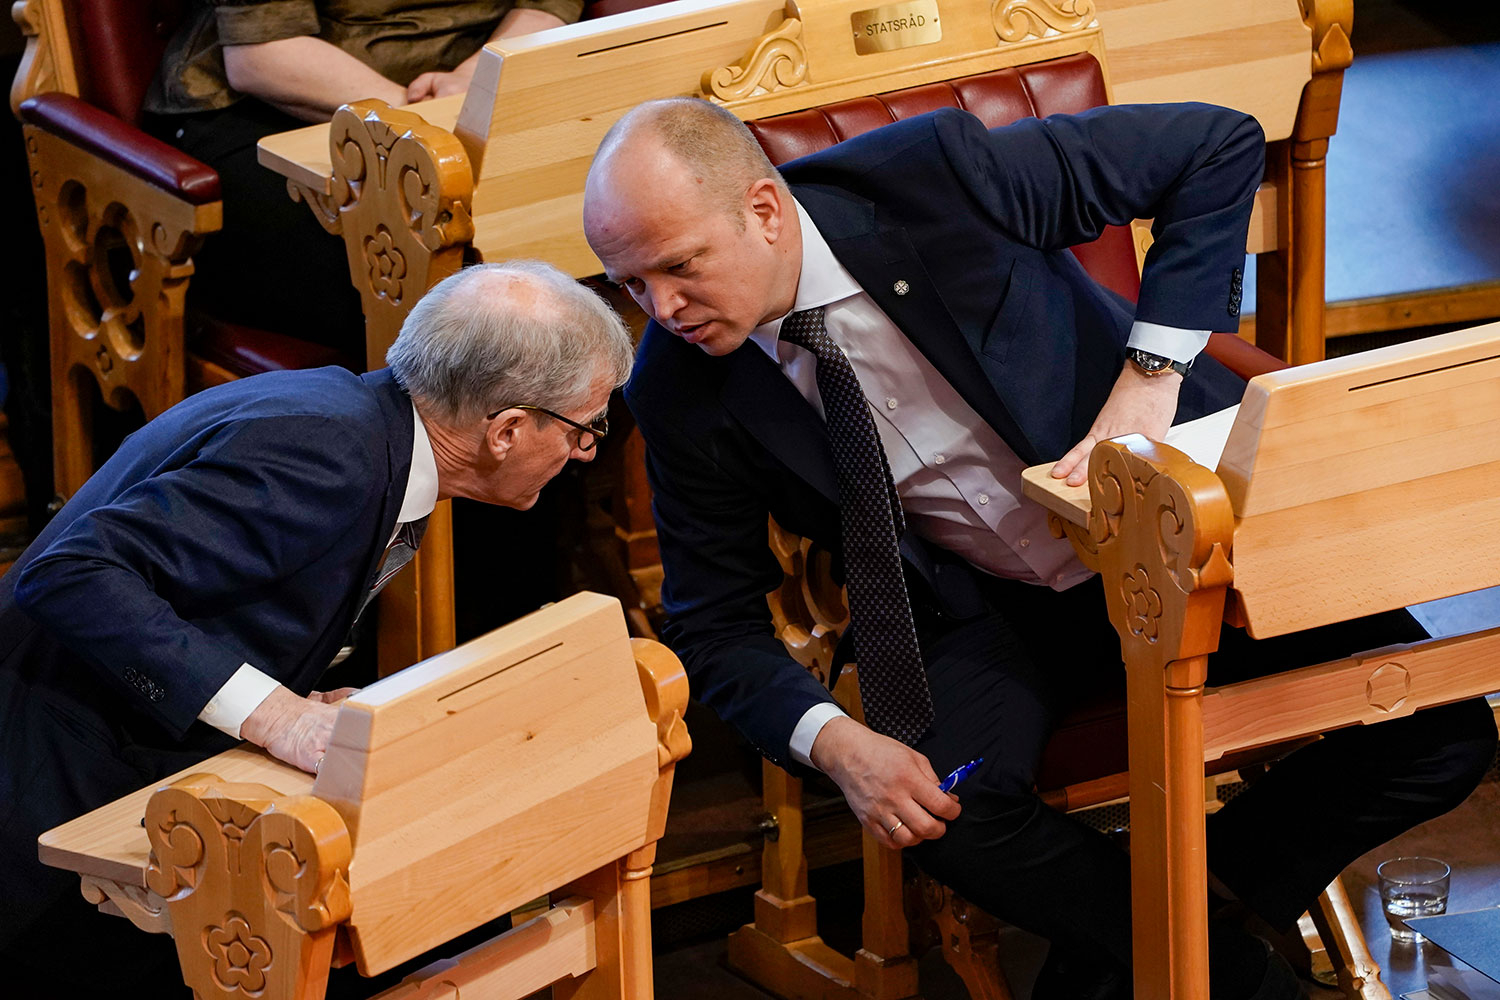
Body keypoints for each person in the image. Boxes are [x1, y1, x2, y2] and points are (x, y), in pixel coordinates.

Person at [582, 98, 1498, 999]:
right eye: (629, 285)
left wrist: (1149, 380)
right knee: (955, 812)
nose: (662, 308)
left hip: (1181, 547)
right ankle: (1232, 967)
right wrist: (837, 744)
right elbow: (715, 625)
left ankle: (1133, 948)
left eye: (680, 266)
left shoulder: (933, 179)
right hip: (986, 603)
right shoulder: (678, 388)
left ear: (764, 209)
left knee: (1442, 729)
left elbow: (1214, 145)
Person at [0, 260, 633, 995]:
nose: (584, 453)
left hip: (149, 761)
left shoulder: (367, 428)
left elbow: (219, 590)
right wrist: (276, 716)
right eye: (585, 431)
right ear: (507, 430)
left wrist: (297, 695)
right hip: (59, 796)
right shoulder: (328, 454)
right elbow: (67, 573)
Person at [143, 0, 585, 358]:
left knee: (584, 233)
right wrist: (411, 117)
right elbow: (261, 56)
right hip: (262, 118)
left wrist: (475, 79)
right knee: (421, 287)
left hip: (462, 98)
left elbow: (548, 4)